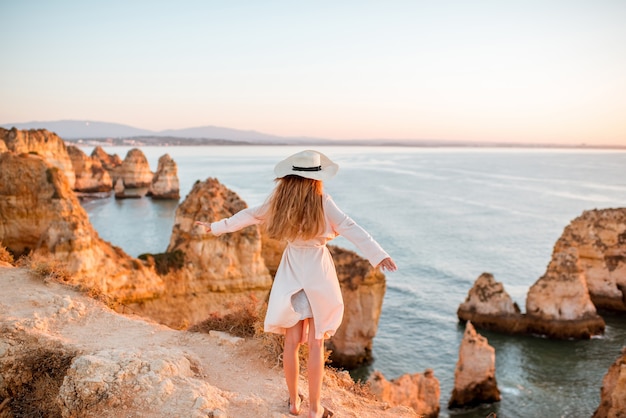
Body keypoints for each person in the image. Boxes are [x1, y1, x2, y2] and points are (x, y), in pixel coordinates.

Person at [196, 150, 397, 418]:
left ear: (290, 174)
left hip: (291, 272)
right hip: (318, 273)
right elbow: (350, 227)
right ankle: (315, 409)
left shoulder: (279, 201)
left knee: (291, 343)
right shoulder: (323, 201)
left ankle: (293, 403)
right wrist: (378, 254)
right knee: (316, 343)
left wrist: (216, 227)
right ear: (316, 178)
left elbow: (250, 215)